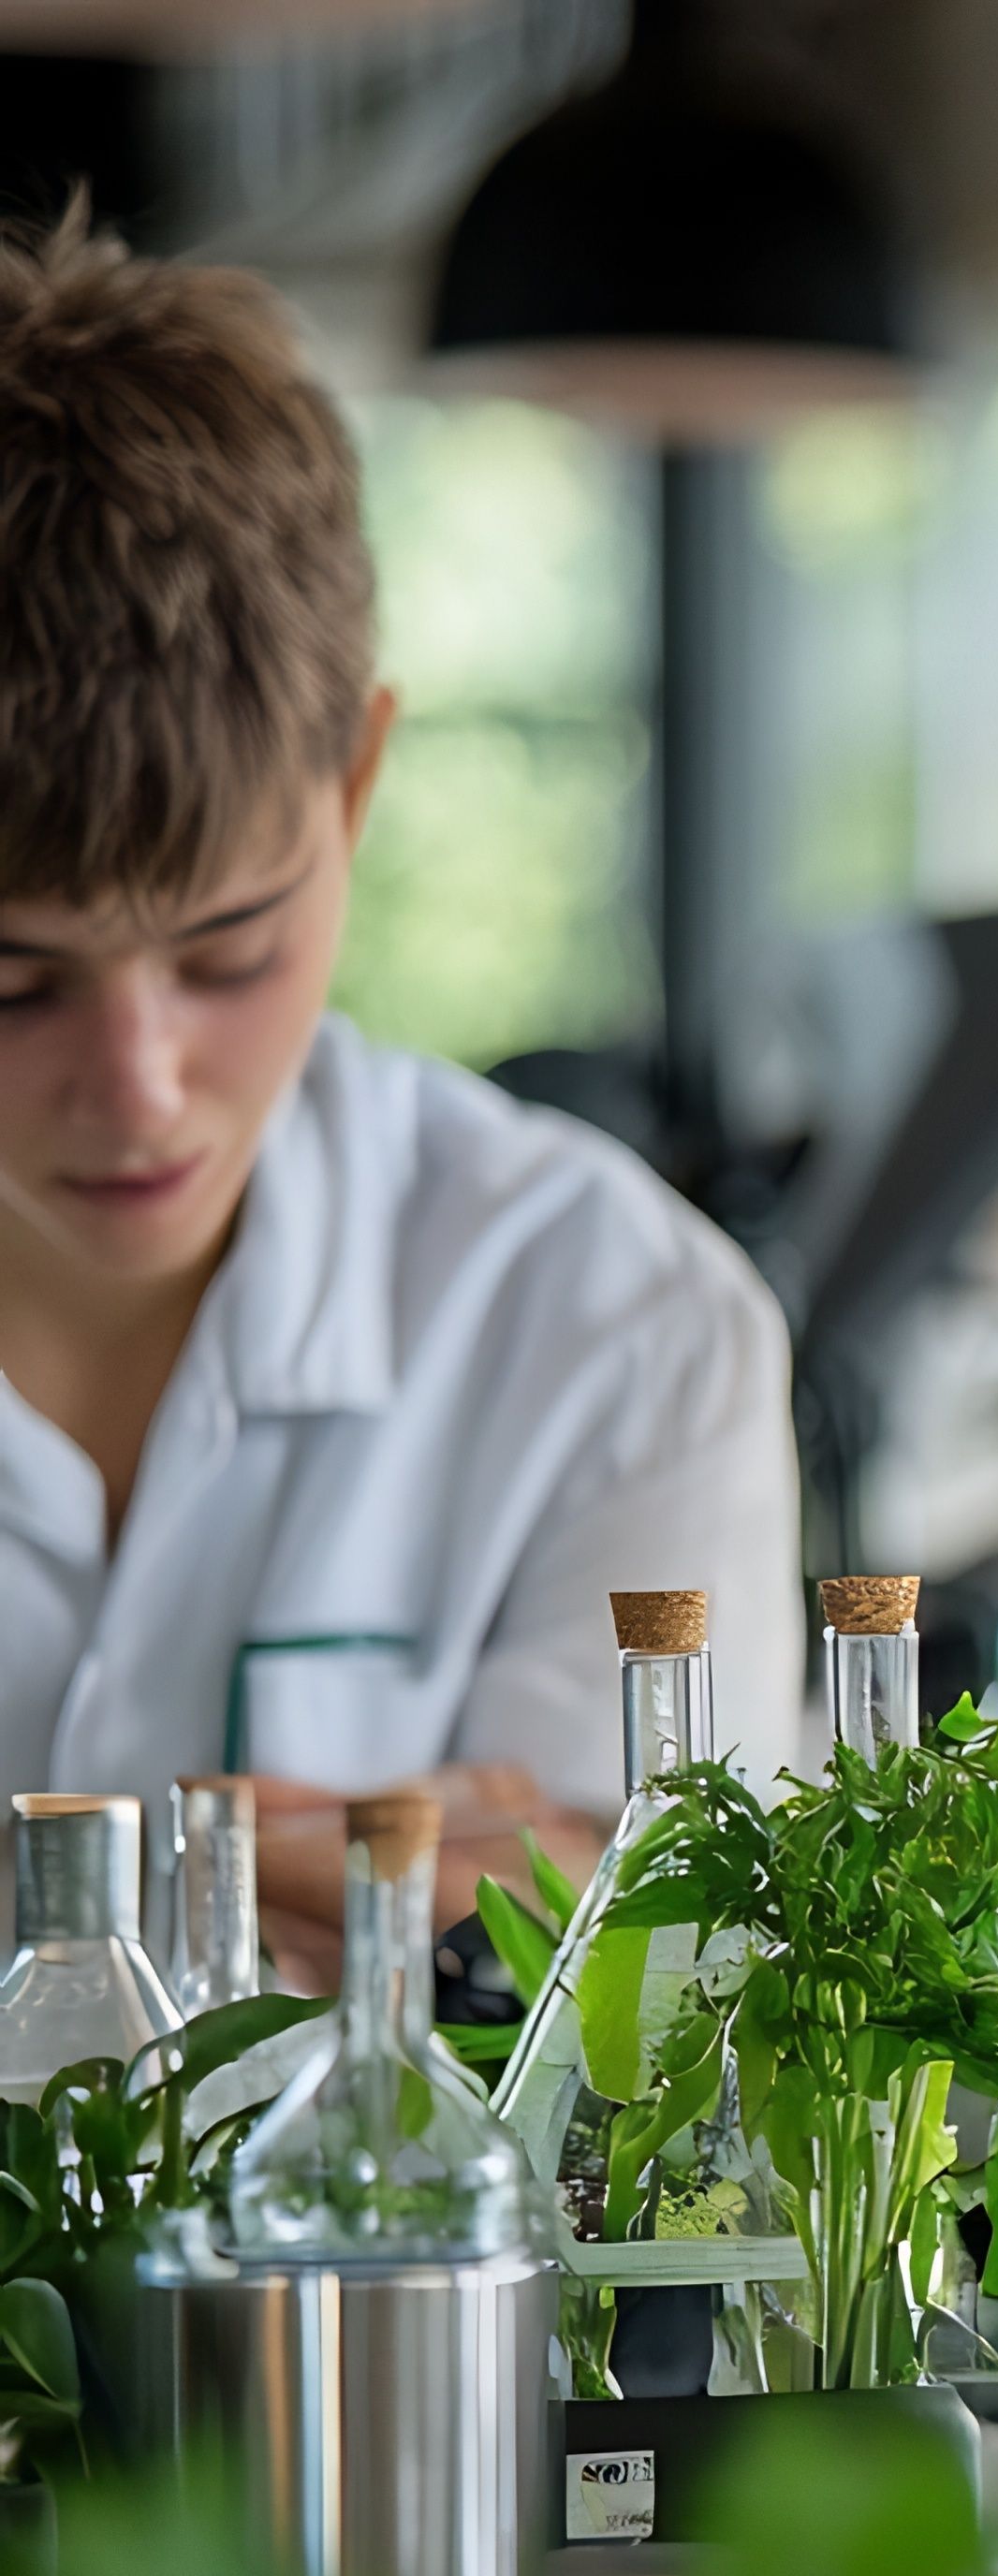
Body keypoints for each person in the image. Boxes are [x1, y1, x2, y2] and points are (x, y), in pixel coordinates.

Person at [0, 214, 797, 1992]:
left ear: (356, 781)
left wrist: (557, 1931)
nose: (139, 1085)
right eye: (17, 983)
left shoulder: (611, 1324)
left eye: (227, 950)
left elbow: (688, 2032)